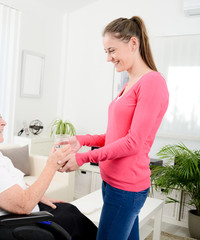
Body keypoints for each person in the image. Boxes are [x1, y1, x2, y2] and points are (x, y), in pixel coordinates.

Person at [58, 16, 169, 240]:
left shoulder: (152, 83)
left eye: (112, 50)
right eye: (106, 52)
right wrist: (83, 140)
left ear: (133, 44)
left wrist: (82, 159)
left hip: (126, 188)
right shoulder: (129, 84)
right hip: (112, 183)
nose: (108, 58)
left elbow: (133, 142)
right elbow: (116, 136)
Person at [0, 97, 98, 240]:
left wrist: (39, 196)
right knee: (74, 219)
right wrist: (51, 164)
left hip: (24, 211)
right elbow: (24, 205)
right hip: (19, 221)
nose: (4, 122)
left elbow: (12, 185)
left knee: (69, 211)